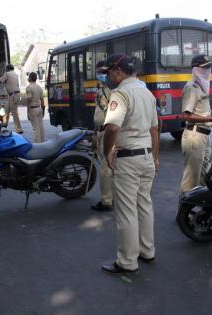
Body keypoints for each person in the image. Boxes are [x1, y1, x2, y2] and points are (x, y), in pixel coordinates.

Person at [100, 54, 159, 274]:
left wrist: (107, 152)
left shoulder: (121, 93)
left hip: (127, 158)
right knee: (144, 204)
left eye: (108, 72)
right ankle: (147, 251)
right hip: (146, 156)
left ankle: (127, 262)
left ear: (118, 71)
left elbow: (112, 128)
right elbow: (155, 129)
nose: (107, 76)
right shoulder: (147, 93)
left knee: (126, 211)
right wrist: (154, 157)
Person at [179, 55, 212, 194]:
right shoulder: (192, 87)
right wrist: (211, 119)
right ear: (195, 69)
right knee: (191, 179)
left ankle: (199, 211)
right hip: (195, 136)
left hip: (204, 136)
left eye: (209, 67)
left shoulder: (201, 86)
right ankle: (184, 212)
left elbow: (200, 111)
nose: (207, 71)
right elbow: (186, 115)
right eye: (204, 68)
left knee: (202, 177)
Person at [91, 61, 113, 212]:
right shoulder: (102, 90)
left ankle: (107, 201)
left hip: (108, 131)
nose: (101, 75)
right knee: (107, 167)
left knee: (106, 169)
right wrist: (94, 134)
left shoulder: (113, 91)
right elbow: (97, 113)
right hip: (100, 131)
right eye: (99, 72)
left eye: (104, 72)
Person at [0, 64, 23, 133]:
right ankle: (5, 123)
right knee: (7, 109)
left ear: (7, 69)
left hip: (13, 95)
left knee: (14, 112)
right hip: (13, 95)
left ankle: (19, 129)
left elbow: (0, 81)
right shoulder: (15, 74)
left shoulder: (7, 74)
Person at [26, 72, 45, 142]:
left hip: (33, 109)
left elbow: (29, 99)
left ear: (30, 78)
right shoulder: (39, 88)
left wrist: (27, 111)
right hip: (39, 108)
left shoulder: (28, 88)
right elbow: (42, 101)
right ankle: (43, 142)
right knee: (41, 127)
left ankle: (38, 144)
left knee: (36, 128)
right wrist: (43, 110)